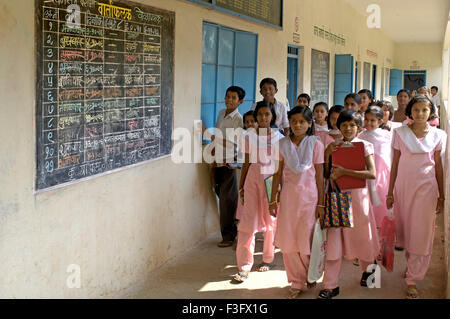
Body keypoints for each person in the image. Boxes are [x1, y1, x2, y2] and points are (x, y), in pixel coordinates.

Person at [386, 95, 446, 299]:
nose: (420, 114)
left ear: (431, 113)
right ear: (410, 112)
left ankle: (413, 279)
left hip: (427, 189)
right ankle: (412, 267)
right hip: (403, 188)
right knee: (406, 231)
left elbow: (438, 166)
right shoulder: (400, 133)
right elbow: (394, 163)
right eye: (416, 110)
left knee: (421, 232)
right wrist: (390, 191)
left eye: (425, 110)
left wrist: (442, 195)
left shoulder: (439, 135)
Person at [318, 110, 380, 299]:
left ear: (359, 127)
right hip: (337, 196)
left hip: (359, 198)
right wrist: (328, 155)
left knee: (364, 237)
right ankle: (330, 285)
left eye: (352, 125)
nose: (348, 128)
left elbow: (372, 173)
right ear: (339, 126)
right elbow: (326, 174)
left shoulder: (365, 145)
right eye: (344, 125)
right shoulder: (332, 145)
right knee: (334, 240)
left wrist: (346, 171)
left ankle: (370, 273)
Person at [269, 106, 325, 299]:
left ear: (310, 124)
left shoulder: (316, 144)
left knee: (306, 239)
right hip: (288, 198)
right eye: (294, 121)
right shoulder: (282, 144)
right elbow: (277, 173)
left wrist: (321, 204)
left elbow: (319, 176)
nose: (298, 125)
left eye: (302, 121)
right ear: (289, 123)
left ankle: (310, 274)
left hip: (310, 199)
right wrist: (273, 199)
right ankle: (296, 281)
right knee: (289, 240)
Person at [233, 101, 284, 282]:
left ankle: (268, 259)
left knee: (271, 220)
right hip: (253, 180)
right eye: (260, 115)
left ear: (273, 117)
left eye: (267, 115)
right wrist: (241, 185)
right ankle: (244, 266)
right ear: (256, 117)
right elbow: (246, 162)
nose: (263, 118)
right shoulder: (249, 137)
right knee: (248, 222)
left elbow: (280, 166)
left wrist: (280, 187)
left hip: (271, 180)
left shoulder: (280, 138)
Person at [202, 86, 245, 248]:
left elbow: (234, 144)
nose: (229, 100)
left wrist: (209, 135)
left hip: (229, 161)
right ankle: (233, 226)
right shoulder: (221, 113)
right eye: (227, 96)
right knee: (220, 192)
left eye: (233, 98)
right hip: (218, 159)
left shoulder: (238, 120)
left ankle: (228, 235)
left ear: (240, 102)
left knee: (228, 199)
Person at [359, 106, 392, 229]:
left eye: (372, 120)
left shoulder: (387, 136)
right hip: (366, 173)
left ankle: (380, 225)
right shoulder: (361, 136)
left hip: (382, 173)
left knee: (381, 196)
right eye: (366, 119)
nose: (368, 123)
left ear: (380, 121)